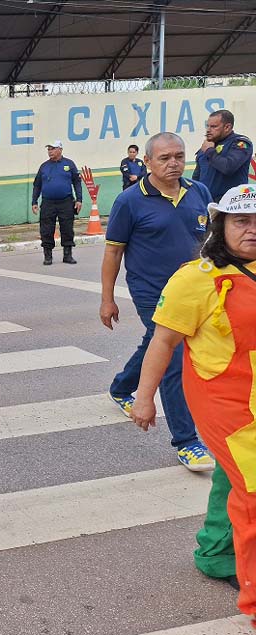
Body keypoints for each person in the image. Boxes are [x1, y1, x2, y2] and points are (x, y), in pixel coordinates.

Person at [130, 184, 256, 621]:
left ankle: (215, 553)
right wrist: (144, 399)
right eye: (241, 221)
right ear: (221, 226)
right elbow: (162, 342)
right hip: (226, 404)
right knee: (253, 492)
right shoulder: (195, 279)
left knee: (232, 477)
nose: (252, 230)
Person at [100, 131, 213, 472]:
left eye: (178, 156)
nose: (173, 163)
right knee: (174, 355)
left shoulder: (199, 192)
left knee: (156, 343)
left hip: (194, 289)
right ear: (147, 162)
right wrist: (107, 299)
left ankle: (121, 386)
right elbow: (113, 251)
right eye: (164, 158)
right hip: (153, 292)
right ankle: (187, 441)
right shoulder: (130, 201)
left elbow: (210, 241)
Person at [32, 140, 83, 265]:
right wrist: (34, 201)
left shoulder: (69, 164)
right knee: (46, 229)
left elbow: (77, 182)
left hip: (65, 202)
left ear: (60, 149)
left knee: (67, 229)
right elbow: (37, 185)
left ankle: (67, 255)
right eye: (48, 149)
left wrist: (79, 200)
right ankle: (48, 256)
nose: (50, 152)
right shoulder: (44, 166)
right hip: (48, 203)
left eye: (52, 149)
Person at [193, 109, 253, 202]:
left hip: (231, 205)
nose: (208, 130)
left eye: (213, 126)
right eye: (207, 126)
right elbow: (196, 180)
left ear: (227, 127)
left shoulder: (240, 143)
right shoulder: (205, 148)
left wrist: (210, 151)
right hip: (206, 204)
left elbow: (228, 167)